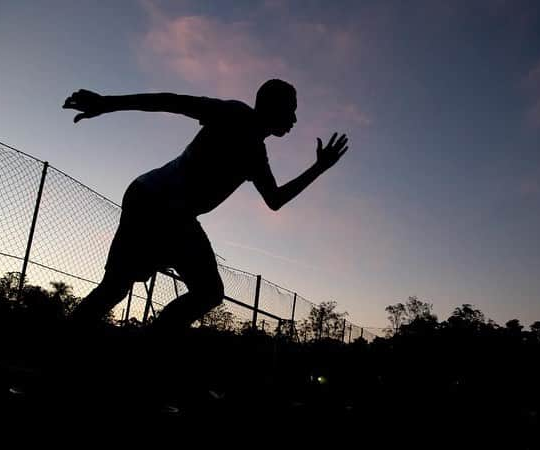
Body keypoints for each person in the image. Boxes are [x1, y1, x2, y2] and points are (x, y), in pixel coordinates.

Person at [63, 79, 349, 333]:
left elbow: (275, 200)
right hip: (152, 200)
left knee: (206, 293)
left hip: (172, 212)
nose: (295, 119)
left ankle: (145, 355)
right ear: (273, 106)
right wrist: (107, 103)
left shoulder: (257, 156)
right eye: (291, 109)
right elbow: (172, 102)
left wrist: (319, 167)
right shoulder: (234, 114)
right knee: (121, 287)